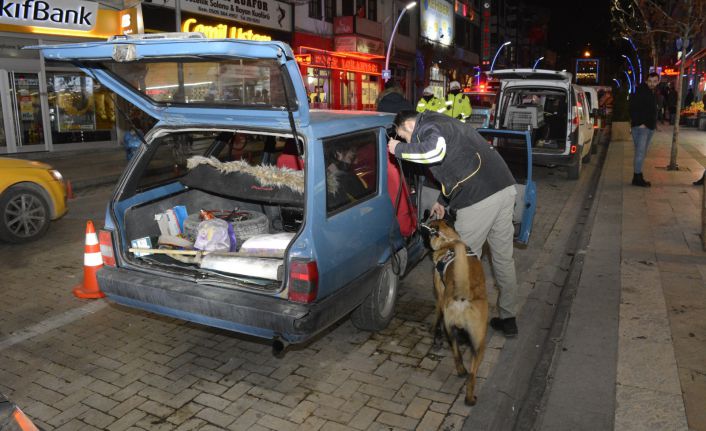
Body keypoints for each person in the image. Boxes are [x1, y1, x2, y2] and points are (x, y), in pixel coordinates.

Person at [388, 110, 520, 337]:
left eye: (405, 137)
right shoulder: (443, 122)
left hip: (478, 198)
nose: (408, 142)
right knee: (502, 257)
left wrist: (397, 149)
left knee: (463, 262)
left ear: (408, 126)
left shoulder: (428, 127)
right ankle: (509, 319)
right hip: (505, 188)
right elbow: (457, 164)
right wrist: (442, 200)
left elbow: (434, 152)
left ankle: (461, 325)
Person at [629, 72, 660, 187]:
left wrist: (654, 123)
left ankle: (638, 175)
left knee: (641, 153)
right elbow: (632, 107)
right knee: (640, 153)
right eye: (650, 81)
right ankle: (637, 178)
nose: (652, 84)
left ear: (658, 82)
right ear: (647, 81)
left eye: (654, 81)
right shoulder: (641, 91)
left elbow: (651, 109)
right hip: (642, 128)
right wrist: (641, 123)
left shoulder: (652, 92)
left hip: (648, 127)